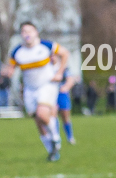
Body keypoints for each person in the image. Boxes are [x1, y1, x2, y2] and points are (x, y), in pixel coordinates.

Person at [4, 22, 69, 161]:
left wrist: (60, 72)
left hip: (47, 85)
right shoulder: (17, 52)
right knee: (38, 121)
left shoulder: (46, 46)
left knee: (42, 113)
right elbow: (10, 69)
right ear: (21, 34)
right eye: (24, 31)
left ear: (36, 32)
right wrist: (7, 73)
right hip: (29, 89)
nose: (27, 34)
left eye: (30, 31)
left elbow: (65, 53)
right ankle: (52, 151)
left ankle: (56, 138)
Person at [57, 68, 78, 144]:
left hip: (62, 94)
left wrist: (65, 88)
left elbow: (70, 80)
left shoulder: (64, 68)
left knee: (65, 116)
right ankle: (56, 138)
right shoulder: (48, 66)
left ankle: (70, 137)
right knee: (53, 116)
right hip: (51, 93)